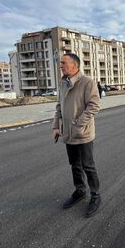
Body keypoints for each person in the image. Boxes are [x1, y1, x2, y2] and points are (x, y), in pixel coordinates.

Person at [52, 53, 101, 217]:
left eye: (63, 63)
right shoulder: (62, 83)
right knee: (74, 164)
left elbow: (94, 106)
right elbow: (59, 105)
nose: (61, 66)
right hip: (68, 134)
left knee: (88, 165)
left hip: (82, 133)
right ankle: (80, 191)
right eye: (61, 63)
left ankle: (95, 195)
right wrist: (56, 126)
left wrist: (77, 124)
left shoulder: (87, 82)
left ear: (74, 65)